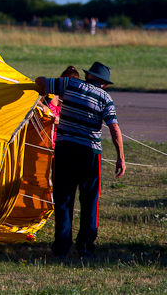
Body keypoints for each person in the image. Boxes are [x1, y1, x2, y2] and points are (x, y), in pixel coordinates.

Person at [33, 61, 125, 259]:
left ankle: (62, 247)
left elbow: (39, 81)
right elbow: (114, 127)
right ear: (103, 83)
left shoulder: (69, 84)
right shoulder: (105, 98)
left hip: (64, 149)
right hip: (90, 153)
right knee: (90, 200)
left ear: (88, 75)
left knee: (63, 199)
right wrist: (120, 158)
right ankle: (85, 247)